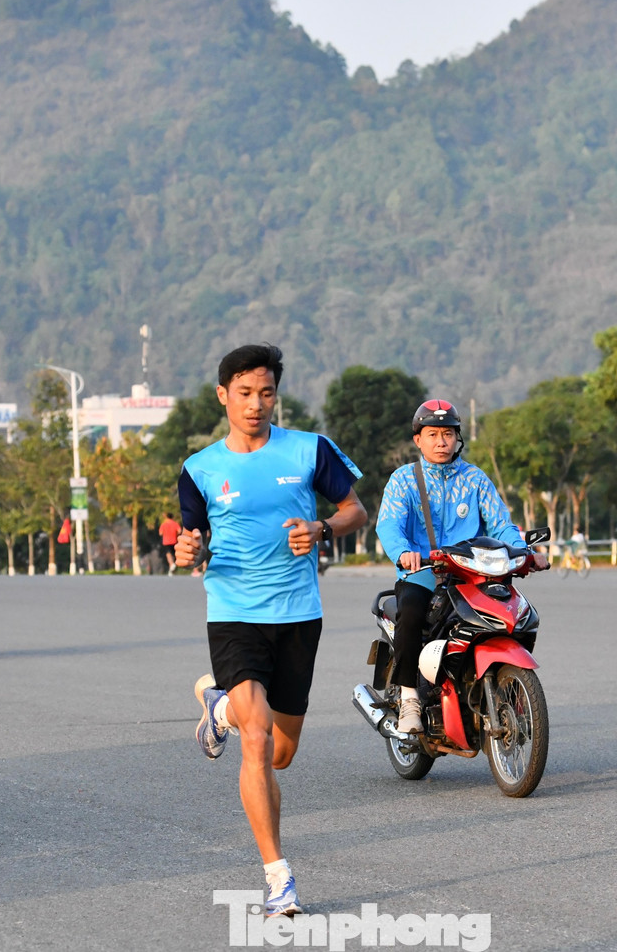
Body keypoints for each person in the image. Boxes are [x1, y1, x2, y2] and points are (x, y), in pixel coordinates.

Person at [175, 343, 367, 918]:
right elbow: (193, 538)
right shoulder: (199, 468)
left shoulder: (310, 450)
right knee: (256, 741)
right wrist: (190, 547)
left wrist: (323, 525)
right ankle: (278, 878)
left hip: (298, 613)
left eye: (266, 393)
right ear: (223, 396)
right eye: (244, 393)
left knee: (281, 753)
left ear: (275, 396)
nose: (255, 404)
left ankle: (220, 707)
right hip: (232, 611)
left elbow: (356, 509)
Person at [375, 399, 523, 734]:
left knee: (508, 613)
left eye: (448, 434)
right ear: (418, 439)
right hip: (422, 572)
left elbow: (501, 524)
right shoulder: (403, 480)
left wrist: (522, 550)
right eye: (432, 434)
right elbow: (389, 525)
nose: (441, 441)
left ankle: (504, 685)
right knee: (410, 613)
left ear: (458, 439)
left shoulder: (475, 479)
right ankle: (411, 698)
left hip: (471, 573)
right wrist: (402, 553)